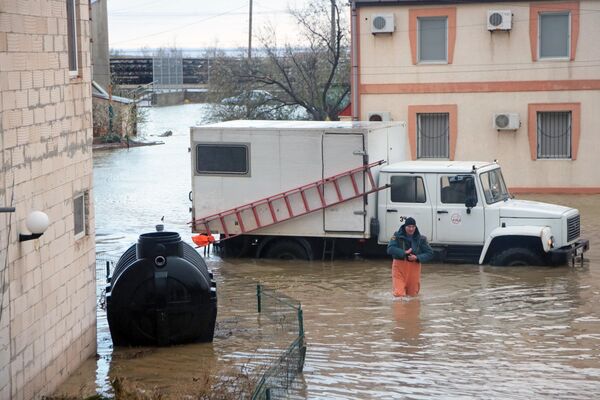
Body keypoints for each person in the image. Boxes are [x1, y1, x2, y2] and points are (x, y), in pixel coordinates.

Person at [387, 217, 433, 297]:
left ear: (415, 227)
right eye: (409, 227)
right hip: (399, 268)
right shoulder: (396, 236)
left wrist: (417, 257)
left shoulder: (421, 239)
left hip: (414, 269)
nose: (411, 229)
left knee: (413, 296)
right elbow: (390, 249)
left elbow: (430, 253)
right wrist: (404, 253)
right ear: (405, 227)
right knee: (399, 295)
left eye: (413, 227)